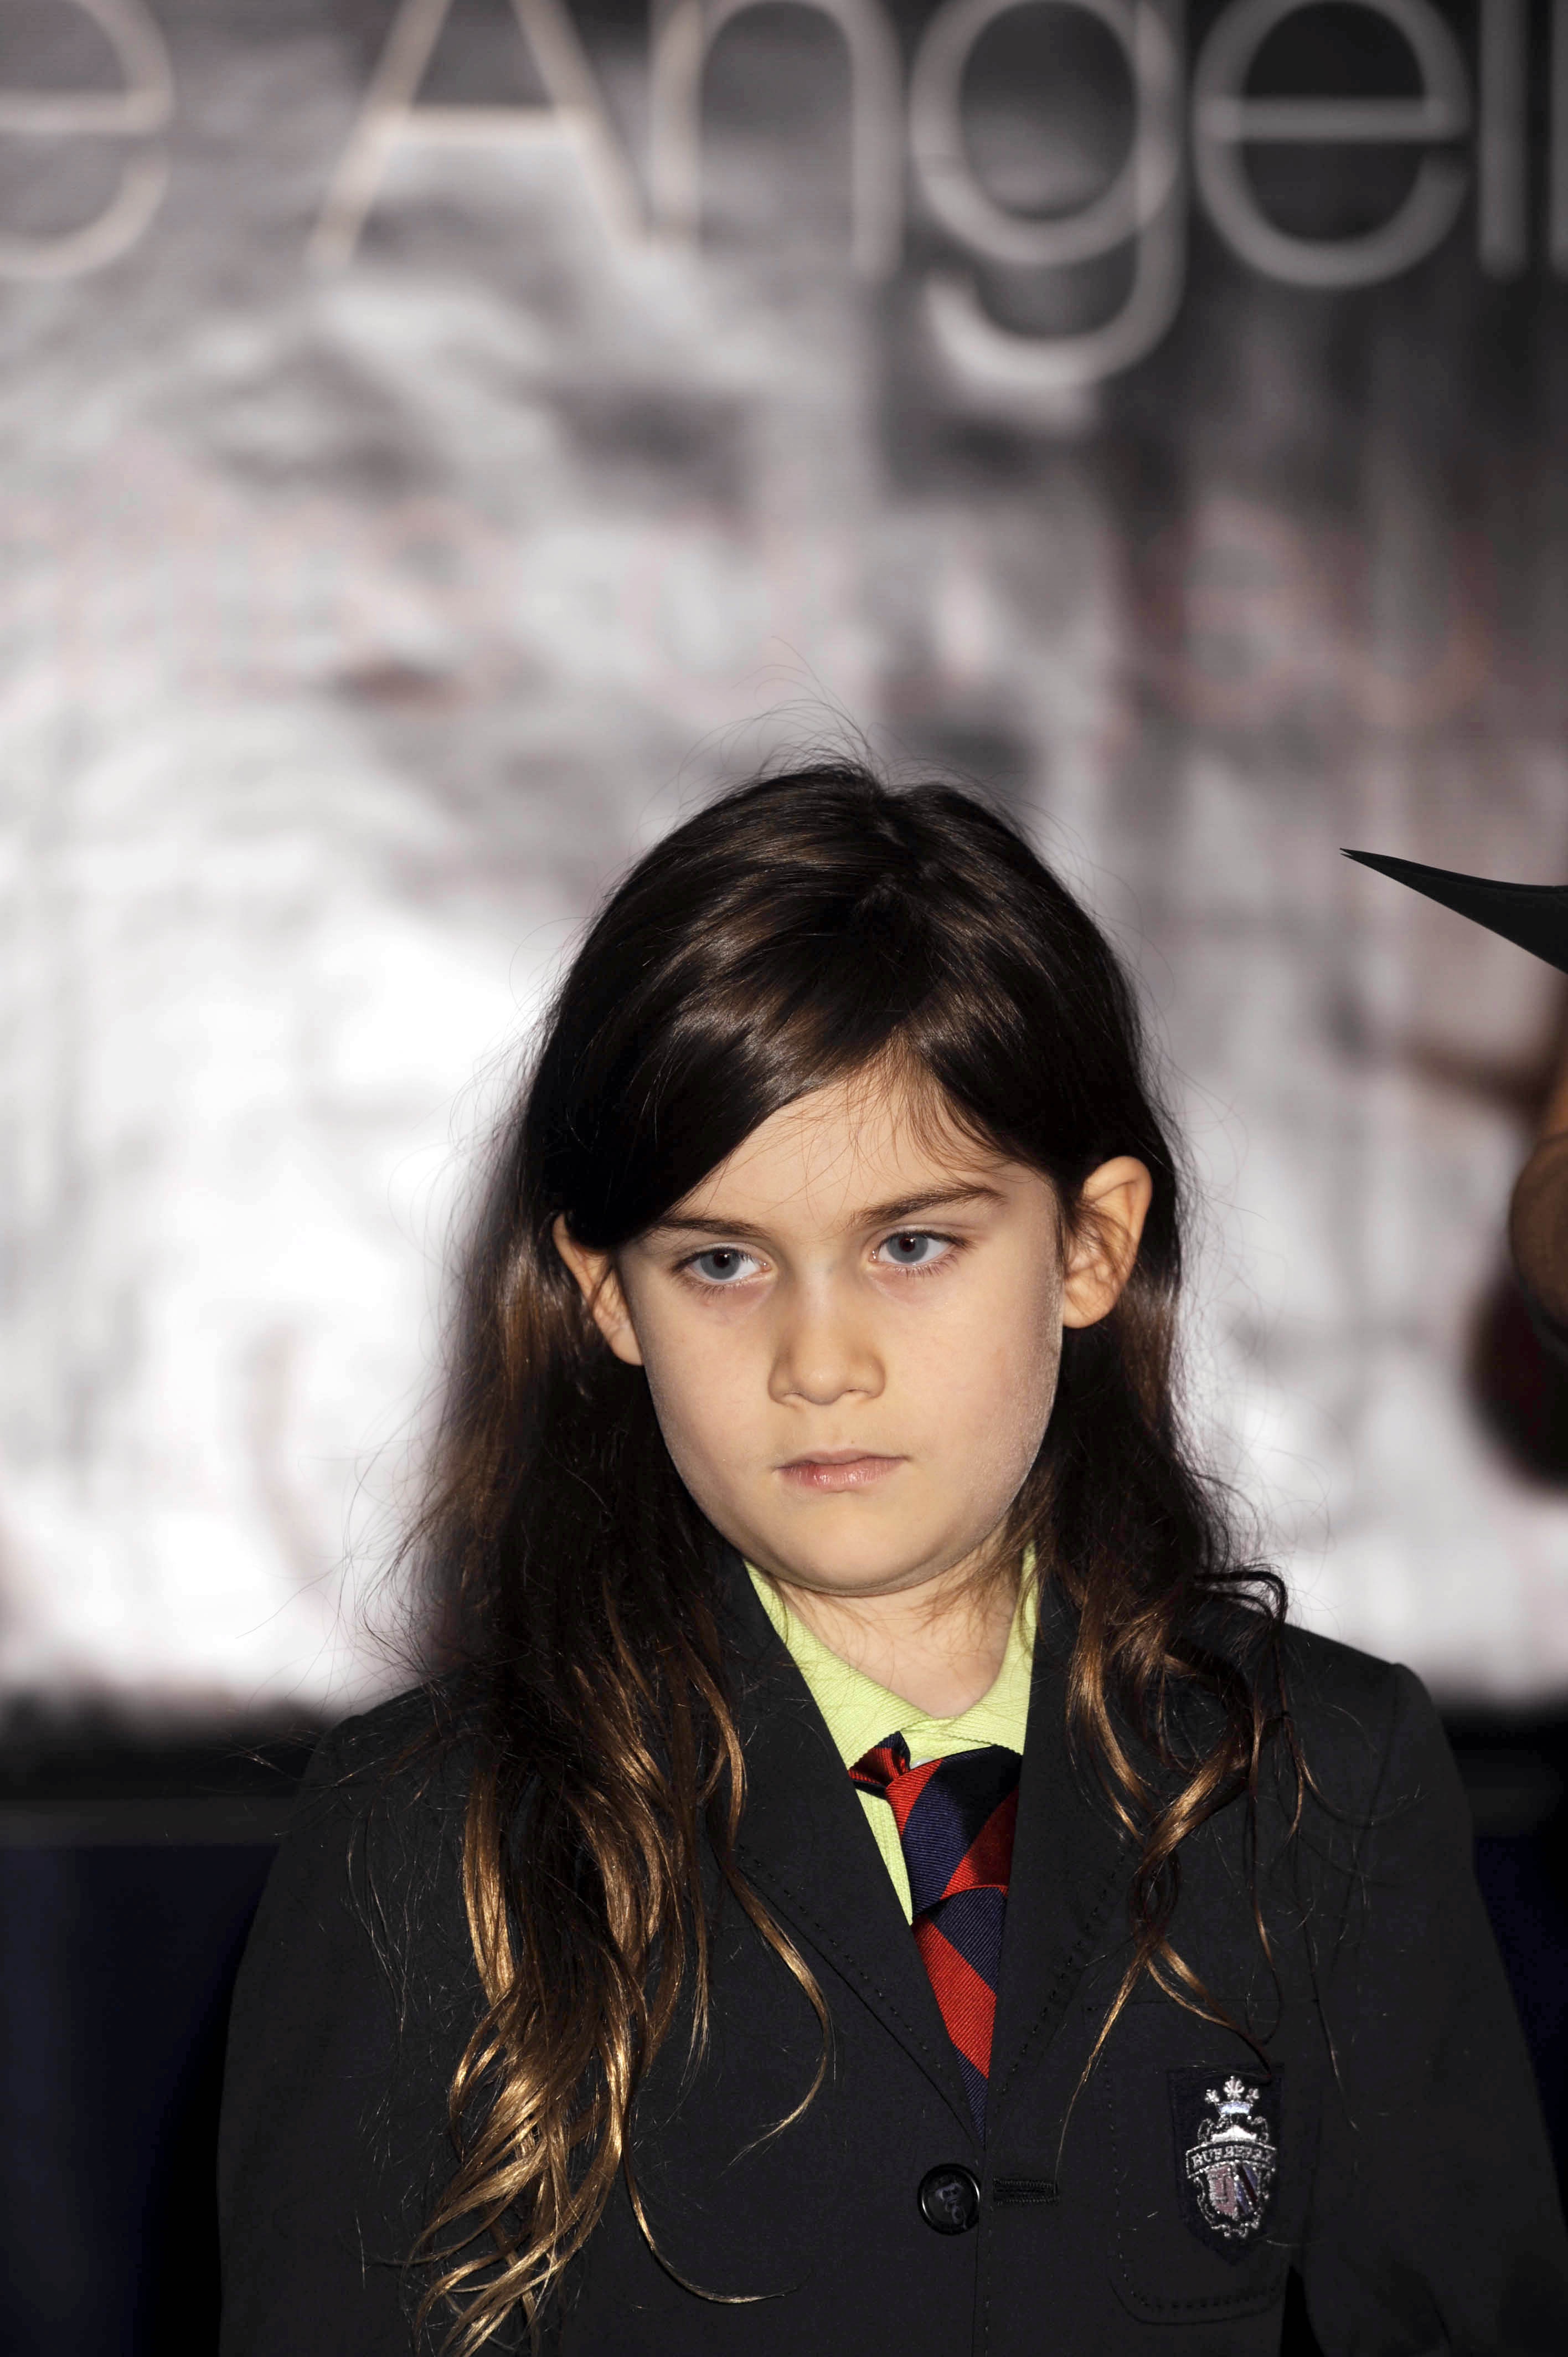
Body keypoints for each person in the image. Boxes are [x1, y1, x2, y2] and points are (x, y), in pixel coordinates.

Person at [221, 771, 1567, 2355]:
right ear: (606, 1298)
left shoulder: (1321, 1787)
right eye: (721, 1263)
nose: (820, 1360)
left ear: (1090, 1246)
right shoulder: (425, 1837)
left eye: (912, 1245)